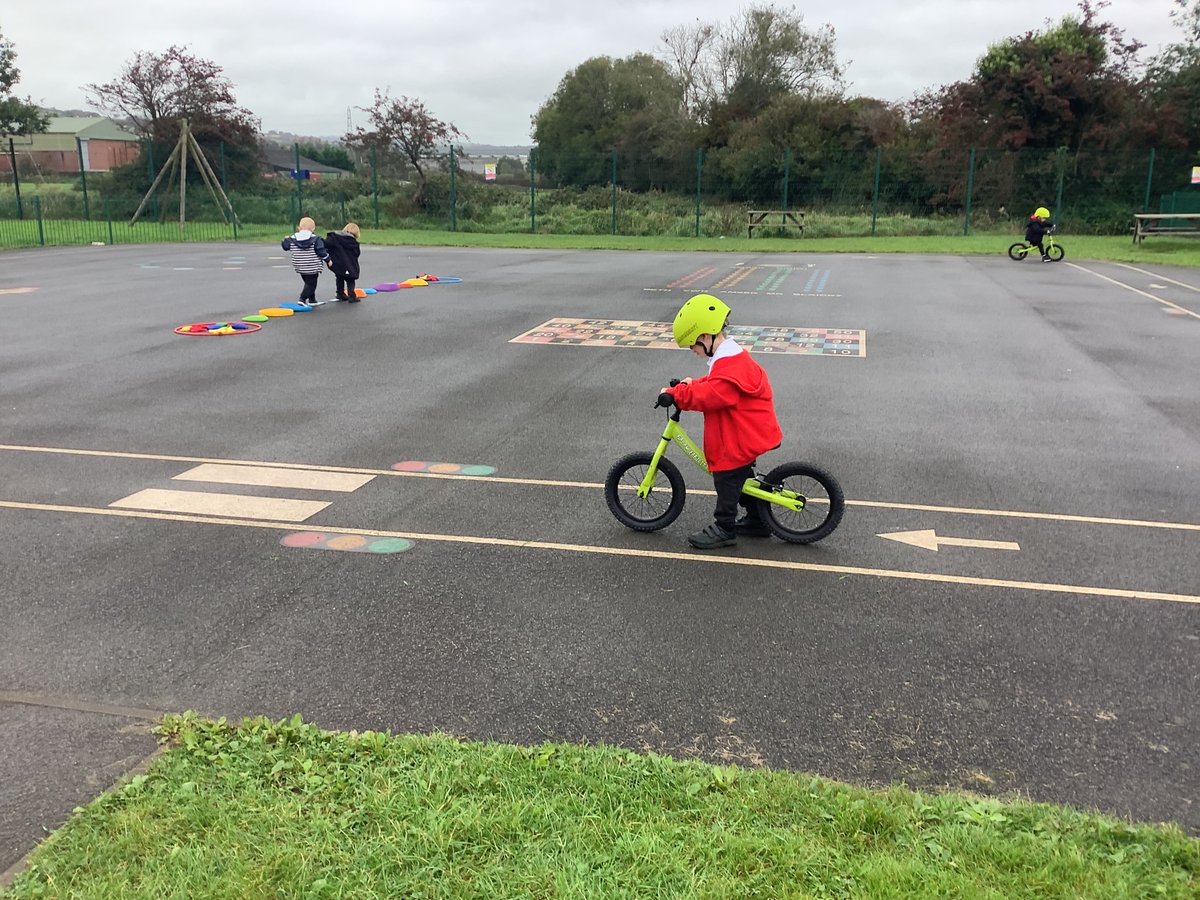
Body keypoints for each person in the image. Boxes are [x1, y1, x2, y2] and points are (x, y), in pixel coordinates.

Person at [661, 293, 783, 550]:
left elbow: (711, 395)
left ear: (705, 337)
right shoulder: (729, 358)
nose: (693, 351)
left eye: (693, 345)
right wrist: (692, 383)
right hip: (745, 431)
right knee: (742, 479)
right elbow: (713, 383)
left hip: (740, 437)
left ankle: (724, 528)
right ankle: (758, 519)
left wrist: (678, 395)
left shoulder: (730, 366)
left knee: (727, 479)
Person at [281, 216, 329, 306]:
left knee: (308, 282)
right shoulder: (316, 239)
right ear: (313, 229)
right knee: (311, 284)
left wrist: (284, 240)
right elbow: (321, 251)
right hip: (313, 266)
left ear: (299, 227)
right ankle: (302, 299)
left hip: (300, 265)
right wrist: (328, 260)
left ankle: (312, 300)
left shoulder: (292, 238)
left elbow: (285, 246)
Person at [324, 222, 362, 302]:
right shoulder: (354, 243)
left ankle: (340, 293)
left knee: (339, 277)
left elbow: (326, 244)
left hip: (337, 263)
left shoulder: (335, 237)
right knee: (350, 279)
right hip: (349, 264)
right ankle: (351, 295)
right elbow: (357, 253)